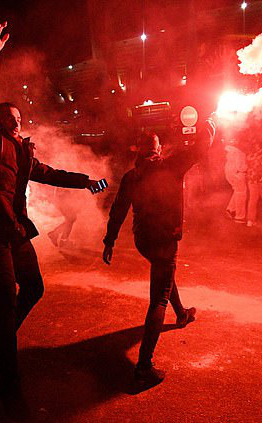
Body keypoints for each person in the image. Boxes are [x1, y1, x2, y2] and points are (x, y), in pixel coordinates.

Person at [0, 21, 106, 409]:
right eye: (12, 118)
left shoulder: (23, 151)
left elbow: (49, 174)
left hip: (15, 230)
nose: (18, 122)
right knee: (7, 300)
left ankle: (1, 337)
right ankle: (7, 378)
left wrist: (87, 182)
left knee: (34, 289)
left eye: (20, 119)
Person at [102, 120, 214, 389]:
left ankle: (182, 313)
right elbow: (202, 147)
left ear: (137, 152)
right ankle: (143, 367)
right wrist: (210, 123)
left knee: (163, 273)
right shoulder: (171, 165)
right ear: (158, 148)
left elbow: (118, 209)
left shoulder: (131, 176)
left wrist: (110, 240)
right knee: (158, 298)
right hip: (164, 239)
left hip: (143, 239)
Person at [223, 137, 248, 224]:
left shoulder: (230, 152)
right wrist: (247, 168)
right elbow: (240, 166)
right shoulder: (239, 153)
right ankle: (239, 217)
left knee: (237, 192)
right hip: (238, 175)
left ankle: (230, 209)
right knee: (241, 195)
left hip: (231, 174)